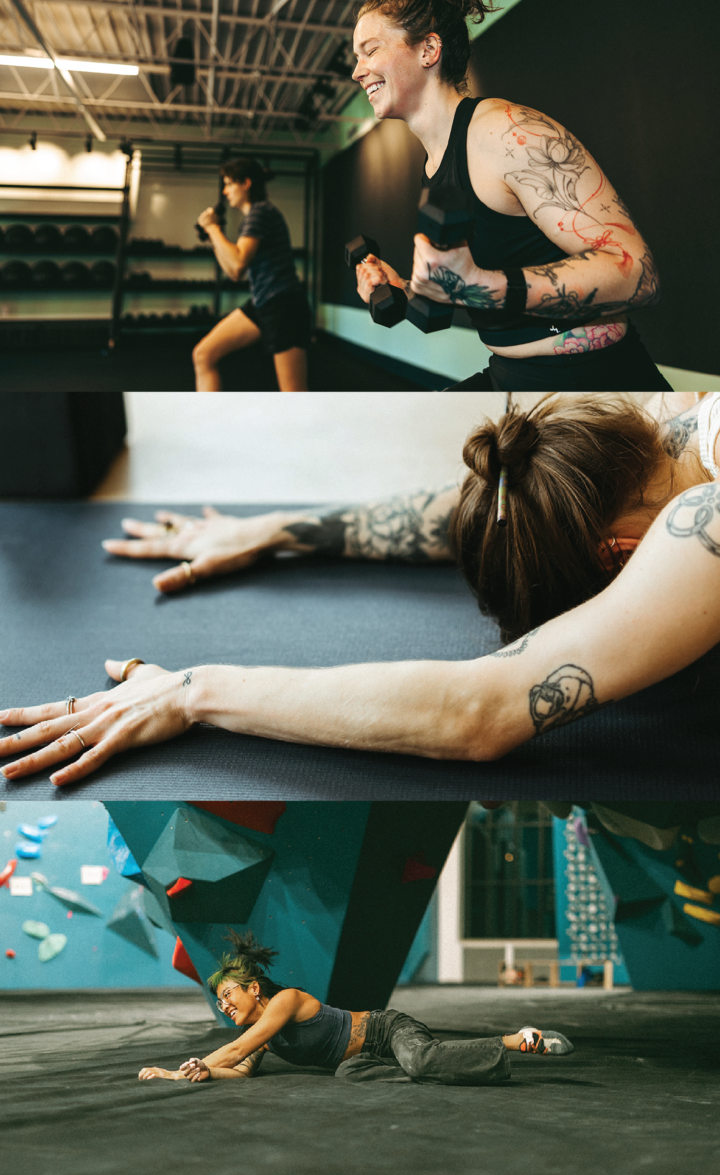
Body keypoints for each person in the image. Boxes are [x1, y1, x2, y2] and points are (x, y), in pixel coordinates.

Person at [1, 391, 720, 784]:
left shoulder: (703, 515)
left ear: (619, 558)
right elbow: (515, 485)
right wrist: (284, 528)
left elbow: (481, 711)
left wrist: (192, 692)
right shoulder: (670, 421)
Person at [351, 0, 669, 391]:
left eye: (371, 50)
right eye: (356, 57)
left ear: (428, 50)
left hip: (594, 381)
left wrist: (479, 283)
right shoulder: (434, 164)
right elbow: (481, 291)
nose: (356, 71)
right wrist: (405, 290)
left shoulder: (507, 132)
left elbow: (638, 273)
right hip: (513, 376)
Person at [137, 931, 573, 1086]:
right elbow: (238, 1067)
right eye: (218, 1001)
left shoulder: (285, 1001)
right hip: (363, 1060)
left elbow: (237, 1048)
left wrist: (176, 1072)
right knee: (352, 1075)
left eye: (228, 994)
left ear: (253, 988)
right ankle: (439, 1067)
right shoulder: (266, 1039)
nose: (223, 1004)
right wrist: (204, 1072)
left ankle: (516, 1039)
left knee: (420, 1061)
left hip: (387, 1031)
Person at [192, 157, 311, 392]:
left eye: (229, 184)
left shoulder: (261, 212)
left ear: (245, 183)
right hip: (262, 304)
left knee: (294, 395)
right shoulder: (252, 218)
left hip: (284, 307)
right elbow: (233, 272)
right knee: (203, 355)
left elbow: (237, 263)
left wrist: (212, 228)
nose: (225, 191)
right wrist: (213, 237)